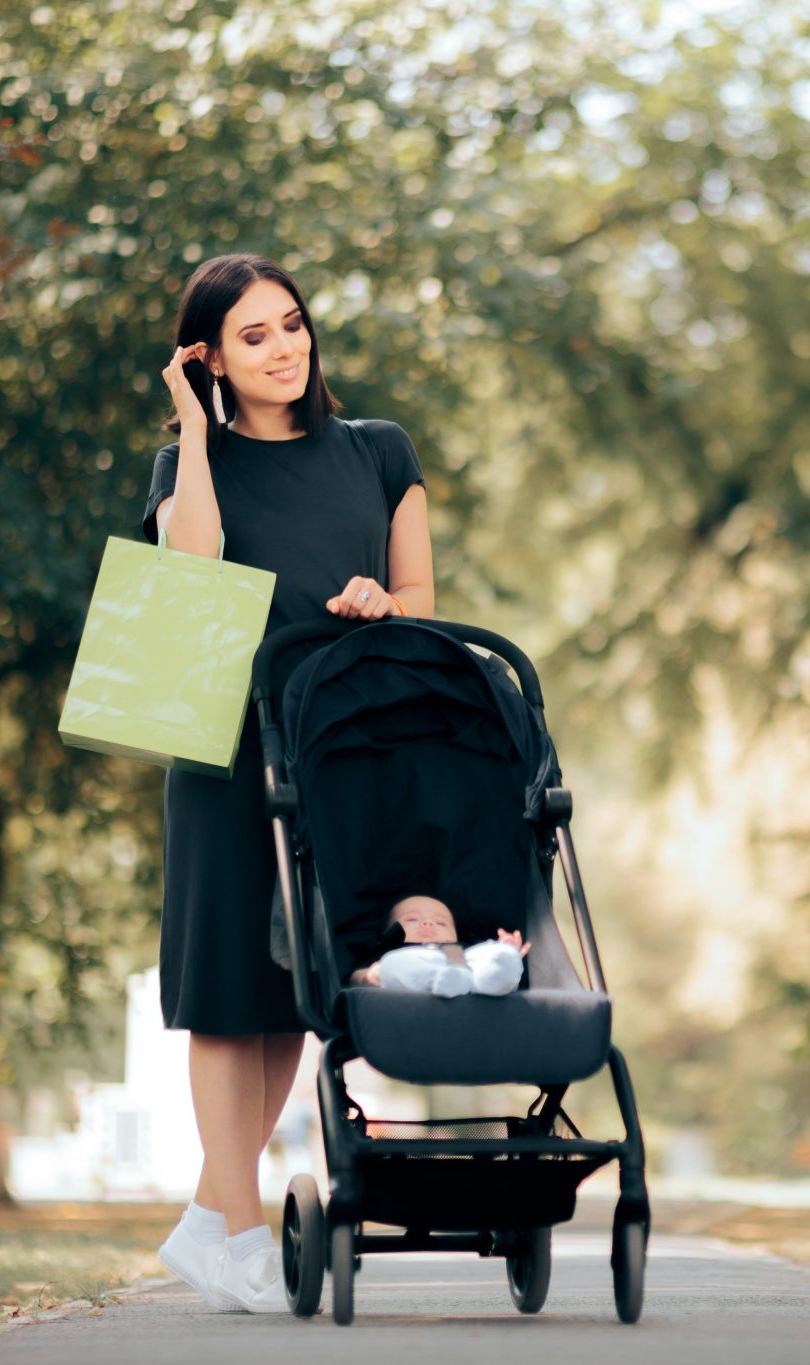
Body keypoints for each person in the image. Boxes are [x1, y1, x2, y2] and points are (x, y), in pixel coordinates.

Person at [143, 253, 434, 1314]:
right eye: (251, 336)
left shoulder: (377, 450)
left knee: (295, 993)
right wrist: (191, 424)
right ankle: (237, 1225)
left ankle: (206, 1221)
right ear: (210, 355)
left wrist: (376, 600)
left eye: (291, 325)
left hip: (340, 746)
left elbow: (421, 599)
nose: (281, 348)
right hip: (226, 740)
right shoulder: (189, 462)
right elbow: (193, 571)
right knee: (228, 989)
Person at [349, 894, 531, 997]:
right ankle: (449, 978)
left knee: (490, 959)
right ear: (389, 934)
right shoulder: (389, 949)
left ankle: (498, 970)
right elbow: (353, 978)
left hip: (464, 973)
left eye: (441, 923)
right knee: (392, 966)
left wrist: (503, 949)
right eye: (412, 919)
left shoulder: (462, 948)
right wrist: (367, 977)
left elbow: (480, 957)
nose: (428, 923)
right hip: (409, 985)